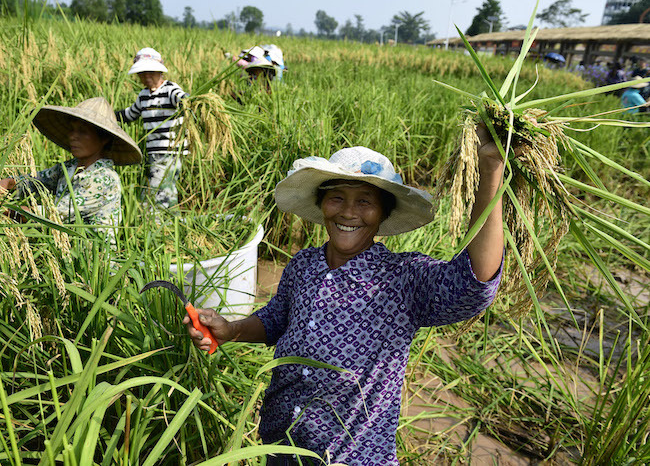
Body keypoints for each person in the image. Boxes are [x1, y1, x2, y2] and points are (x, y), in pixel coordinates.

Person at [184, 125, 508, 465]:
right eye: (337, 197)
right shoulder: (303, 264)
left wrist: (491, 172)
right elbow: (277, 318)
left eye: (365, 201)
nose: (349, 212)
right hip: (280, 443)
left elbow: (473, 284)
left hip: (351, 456)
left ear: (383, 214)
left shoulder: (403, 278)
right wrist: (229, 330)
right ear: (322, 203)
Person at [0, 97, 141, 245]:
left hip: (95, 260)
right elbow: (36, 181)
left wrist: (9, 210)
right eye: (72, 130)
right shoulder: (68, 168)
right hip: (64, 250)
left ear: (104, 138)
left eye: (82, 131)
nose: (73, 136)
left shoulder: (104, 179)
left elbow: (56, 214)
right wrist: (9, 183)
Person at [115, 47, 188, 211]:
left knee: (162, 190)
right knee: (157, 190)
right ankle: (162, 221)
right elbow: (129, 114)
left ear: (160, 72)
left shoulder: (170, 89)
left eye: (151, 72)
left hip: (170, 152)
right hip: (153, 152)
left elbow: (183, 99)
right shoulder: (143, 96)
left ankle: (165, 224)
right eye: (142, 73)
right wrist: (107, 116)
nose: (146, 77)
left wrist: (192, 101)